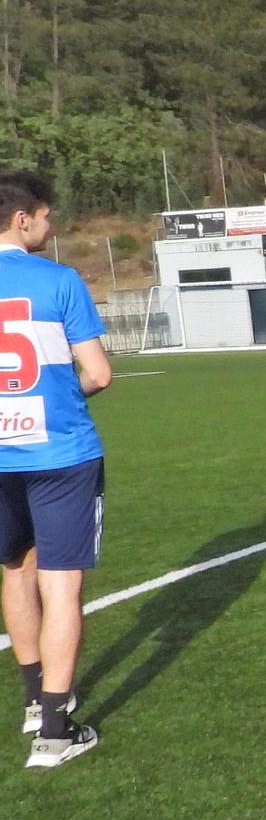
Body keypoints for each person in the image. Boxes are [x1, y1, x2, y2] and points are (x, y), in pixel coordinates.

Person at [0, 171, 112, 768]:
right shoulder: (59, 280)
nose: (50, 226)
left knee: (15, 568)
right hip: (59, 452)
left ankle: (29, 704)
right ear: (24, 218)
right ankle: (55, 731)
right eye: (45, 217)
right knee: (61, 583)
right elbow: (96, 374)